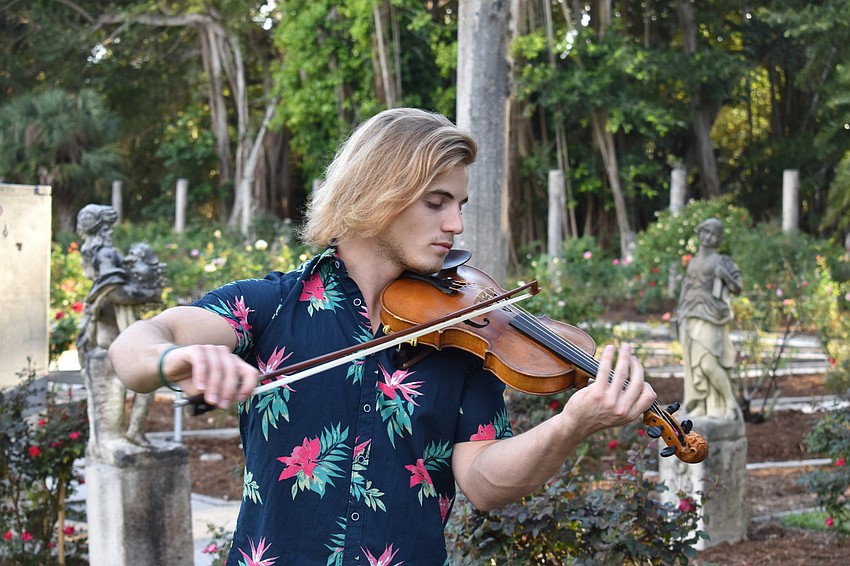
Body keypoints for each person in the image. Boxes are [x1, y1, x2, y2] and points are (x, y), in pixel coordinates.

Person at [108, 108, 656, 565]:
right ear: (377, 193)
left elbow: (485, 483)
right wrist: (176, 358)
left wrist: (571, 424)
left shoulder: (463, 333)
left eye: (459, 205)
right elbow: (135, 346)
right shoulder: (272, 306)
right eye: (436, 202)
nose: (456, 225)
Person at [675, 217, 742, 420]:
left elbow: (738, 288)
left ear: (719, 238)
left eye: (713, 233)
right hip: (689, 314)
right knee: (693, 365)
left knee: (708, 363)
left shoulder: (723, 261)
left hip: (711, 316)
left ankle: (729, 404)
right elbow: (686, 288)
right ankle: (703, 406)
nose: (707, 236)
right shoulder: (693, 261)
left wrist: (726, 276)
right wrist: (678, 314)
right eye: (705, 231)